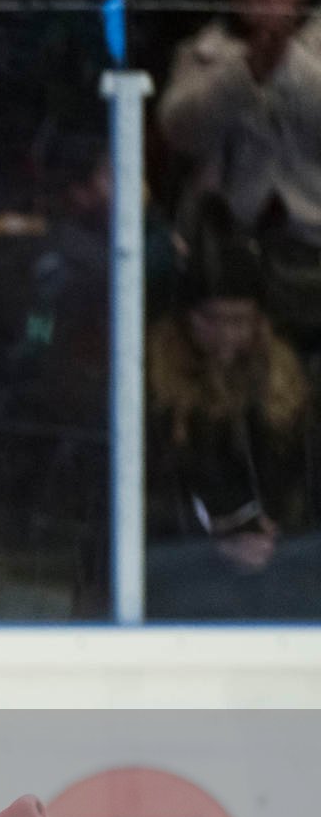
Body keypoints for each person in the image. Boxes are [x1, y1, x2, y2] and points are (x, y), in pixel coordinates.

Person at [148, 201, 321, 617]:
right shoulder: (153, 386)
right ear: (186, 317)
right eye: (212, 319)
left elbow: (305, 478)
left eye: (239, 321)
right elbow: (139, 493)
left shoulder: (285, 384)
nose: (226, 335)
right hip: (181, 563)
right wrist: (211, 536)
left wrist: (279, 531)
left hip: (279, 564)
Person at [158, 0, 321, 345]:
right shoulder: (204, 52)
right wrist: (244, 73)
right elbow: (179, 130)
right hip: (228, 264)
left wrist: (284, 64)